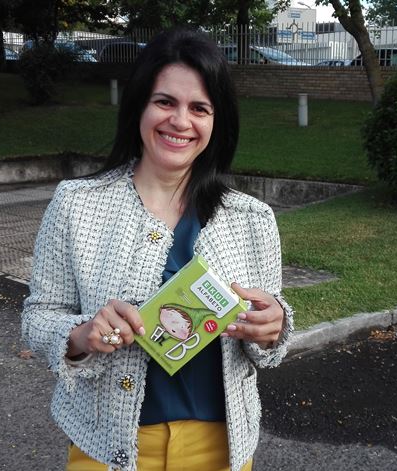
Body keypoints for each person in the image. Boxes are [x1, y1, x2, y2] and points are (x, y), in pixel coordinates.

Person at [21, 27, 294, 471]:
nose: (180, 121)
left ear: (216, 121)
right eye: (165, 101)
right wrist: (81, 336)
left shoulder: (253, 218)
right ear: (139, 107)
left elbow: (268, 339)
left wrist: (273, 326)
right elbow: (38, 316)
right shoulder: (76, 204)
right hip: (105, 445)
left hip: (221, 449)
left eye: (199, 108)